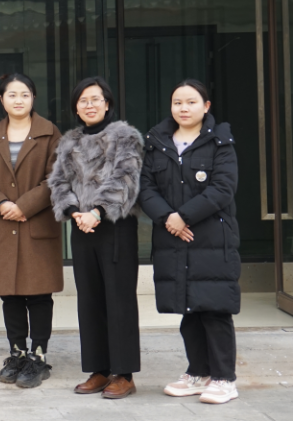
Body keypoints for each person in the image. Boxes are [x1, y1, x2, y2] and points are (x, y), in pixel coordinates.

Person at [139, 79, 241, 404]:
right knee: (189, 309)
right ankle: (198, 373)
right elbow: (145, 187)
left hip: (211, 239)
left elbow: (223, 187)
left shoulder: (220, 142)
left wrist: (183, 216)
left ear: (206, 106)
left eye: (191, 102)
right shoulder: (157, 142)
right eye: (177, 102)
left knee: (214, 310)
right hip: (174, 238)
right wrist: (168, 217)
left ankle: (224, 379)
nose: (183, 108)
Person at [48, 76, 143, 399]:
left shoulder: (124, 137)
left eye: (95, 99)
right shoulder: (69, 142)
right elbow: (58, 182)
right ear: (76, 107)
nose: (89, 105)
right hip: (81, 227)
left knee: (119, 300)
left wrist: (98, 211)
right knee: (89, 300)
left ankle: (124, 373)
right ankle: (99, 370)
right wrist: (75, 211)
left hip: (115, 227)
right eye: (83, 100)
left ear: (107, 103)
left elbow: (126, 179)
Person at [0, 74, 63, 389]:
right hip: (2, 224)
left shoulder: (49, 133)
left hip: (36, 223)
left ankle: (38, 357)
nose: (18, 100)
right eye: (12, 95)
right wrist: (1, 205)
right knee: (10, 295)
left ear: (33, 98)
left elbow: (56, 178)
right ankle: (17, 353)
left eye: (24, 94)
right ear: (1, 100)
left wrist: (23, 205)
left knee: (38, 294)